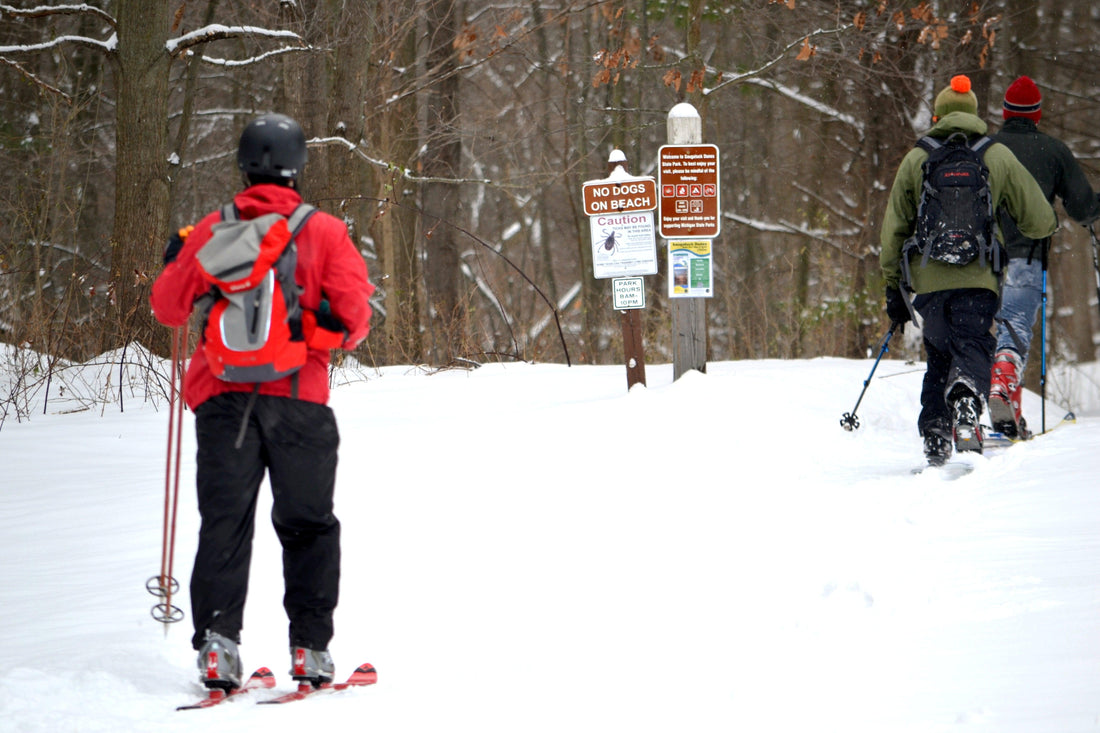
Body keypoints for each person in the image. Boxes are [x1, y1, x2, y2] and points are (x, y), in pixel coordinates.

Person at [151, 113, 373, 690]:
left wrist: (176, 260)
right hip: (302, 403)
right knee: (308, 526)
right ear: (299, 167)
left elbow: (169, 309)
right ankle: (310, 651)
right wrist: (309, 335)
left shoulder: (213, 228)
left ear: (243, 165)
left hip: (224, 404)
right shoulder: (324, 232)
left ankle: (219, 649)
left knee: (225, 524)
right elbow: (355, 322)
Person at [880, 75, 1057, 465]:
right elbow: (1040, 221)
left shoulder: (917, 157)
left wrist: (893, 285)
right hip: (979, 278)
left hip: (928, 279)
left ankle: (936, 434)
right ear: (976, 115)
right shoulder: (994, 155)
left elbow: (894, 226)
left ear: (937, 115)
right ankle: (964, 398)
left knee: (939, 353)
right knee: (974, 343)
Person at [988, 76, 1100, 438]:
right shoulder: (1052, 150)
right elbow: (1082, 208)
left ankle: (998, 415)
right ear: (1036, 115)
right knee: (1016, 324)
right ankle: (1004, 388)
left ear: (1006, 113)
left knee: (977, 331)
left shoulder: (986, 147)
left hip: (980, 256)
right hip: (1027, 254)